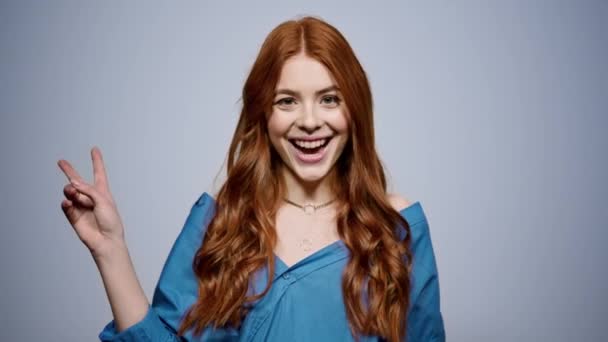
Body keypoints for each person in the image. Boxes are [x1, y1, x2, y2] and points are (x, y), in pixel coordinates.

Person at [58, 15, 445, 342]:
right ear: (263, 114)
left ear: (354, 108)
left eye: (329, 98)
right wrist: (110, 249)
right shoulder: (220, 224)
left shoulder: (396, 228)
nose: (309, 121)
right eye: (286, 101)